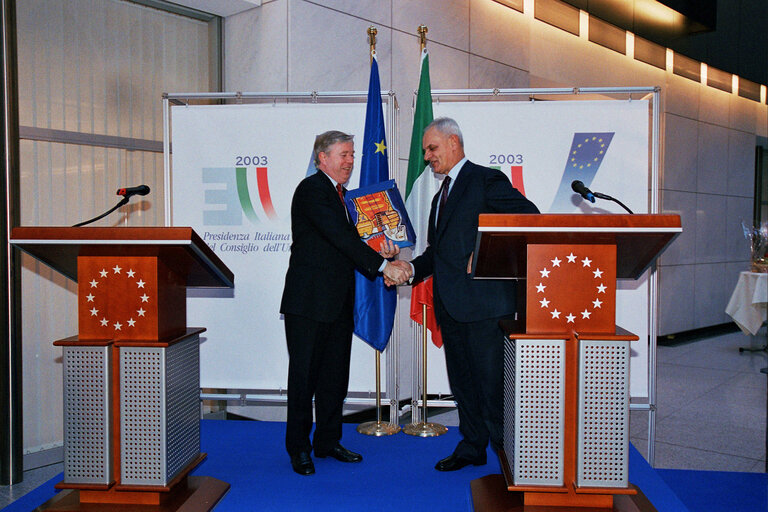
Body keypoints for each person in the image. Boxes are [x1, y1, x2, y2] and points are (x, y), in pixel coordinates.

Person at [388, 117, 539, 471]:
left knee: (492, 387)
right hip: (451, 306)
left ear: (454, 142)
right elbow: (436, 253)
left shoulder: (485, 179)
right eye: (425, 150)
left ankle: (509, 457)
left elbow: (529, 218)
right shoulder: (441, 195)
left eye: (432, 148)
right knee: (464, 385)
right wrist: (409, 269)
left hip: (485, 307)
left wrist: (485, 247)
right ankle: (472, 445)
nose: (427, 156)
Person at [280, 130, 408, 476]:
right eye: (343, 155)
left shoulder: (346, 198)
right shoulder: (312, 191)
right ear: (322, 158)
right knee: (304, 378)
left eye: (352, 155)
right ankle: (299, 448)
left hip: (338, 302)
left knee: (335, 377)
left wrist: (386, 247)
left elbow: (358, 240)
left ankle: (328, 440)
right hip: (308, 303)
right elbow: (340, 238)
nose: (350, 161)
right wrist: (384, 267)